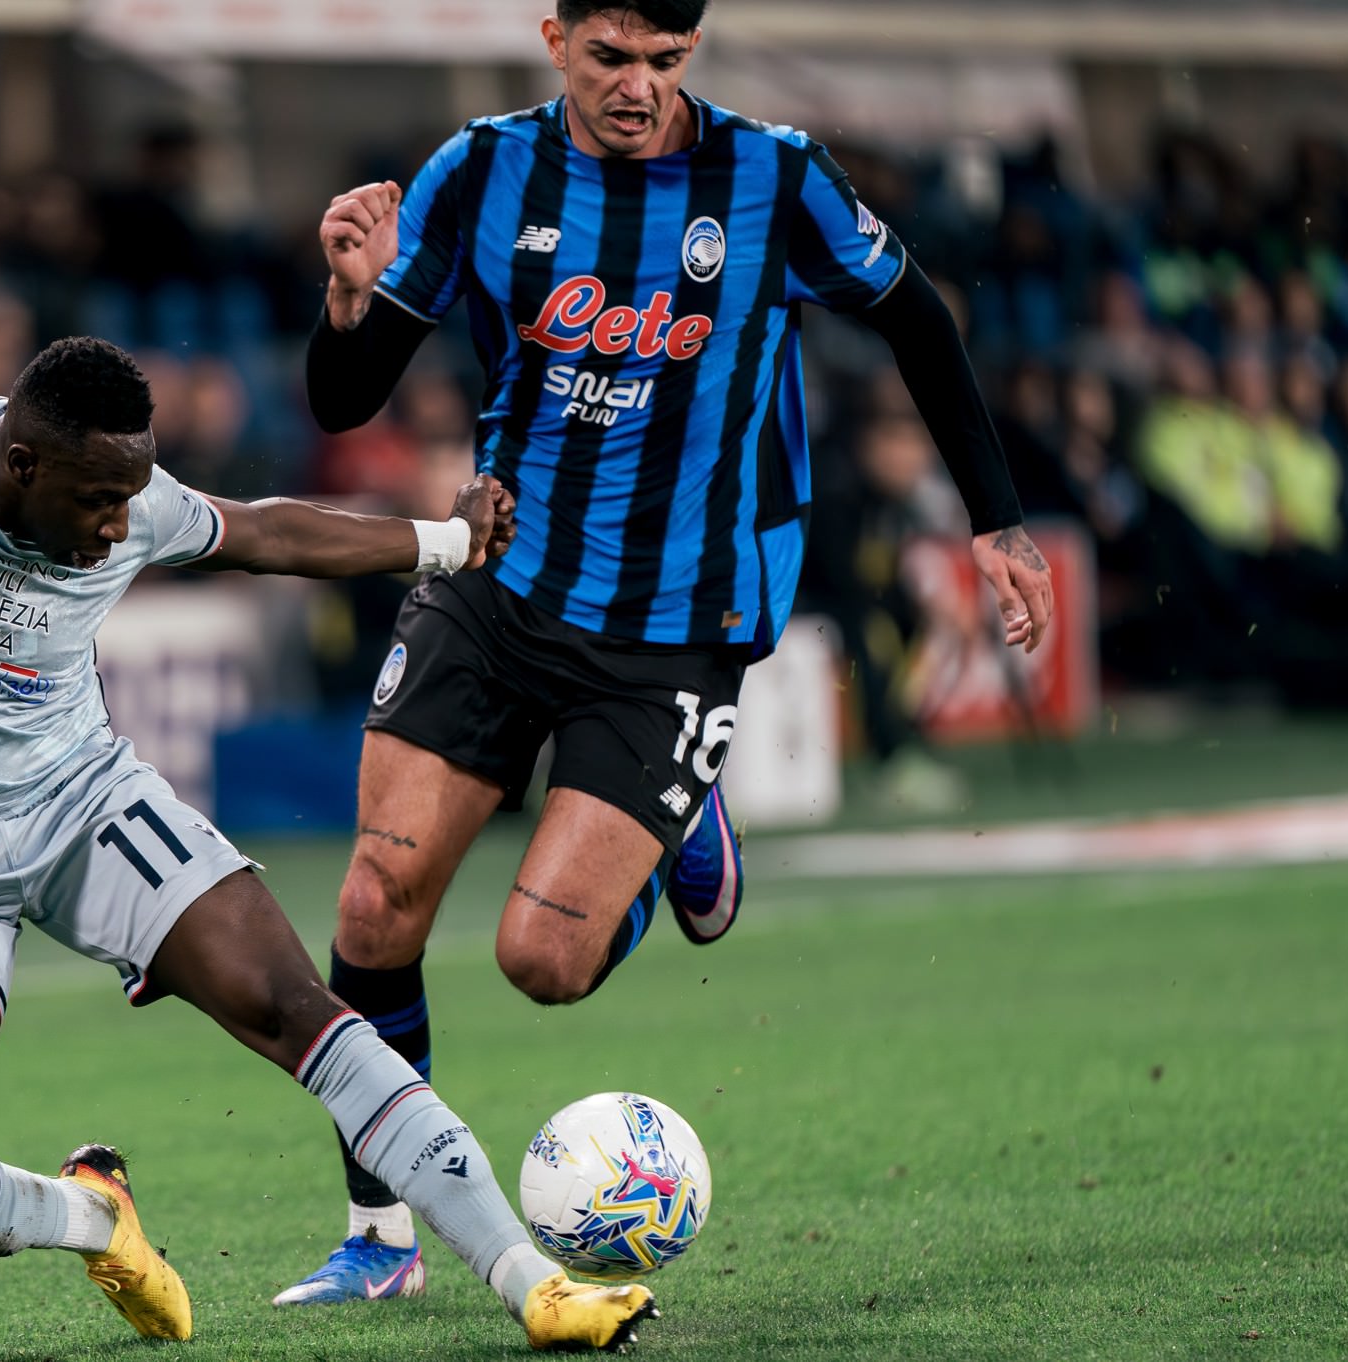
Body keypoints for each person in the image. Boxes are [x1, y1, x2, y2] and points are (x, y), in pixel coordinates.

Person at [277, 0, 1056, 1304]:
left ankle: (681, 827)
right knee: (371, 904)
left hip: (679, 626)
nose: (638, 86)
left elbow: (919, 318)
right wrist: (349, 302)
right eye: (611, 57)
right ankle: (380, 1234)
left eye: (666, 61)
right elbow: (343, 398)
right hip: (498, 582)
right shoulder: (480, 168)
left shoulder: (774, 175)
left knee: (544, 963)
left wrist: (998, 522)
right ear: (554, 37)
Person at [0, 335, 659, 1352]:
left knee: (295, 1006)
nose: (118, 530)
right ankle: (91, 1218)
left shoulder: (120, 494)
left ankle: (532, 1283)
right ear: (24, 466)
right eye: (99, 503)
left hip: (79, 805)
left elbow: (261, 533)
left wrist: (447, 543)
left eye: (130, 499)